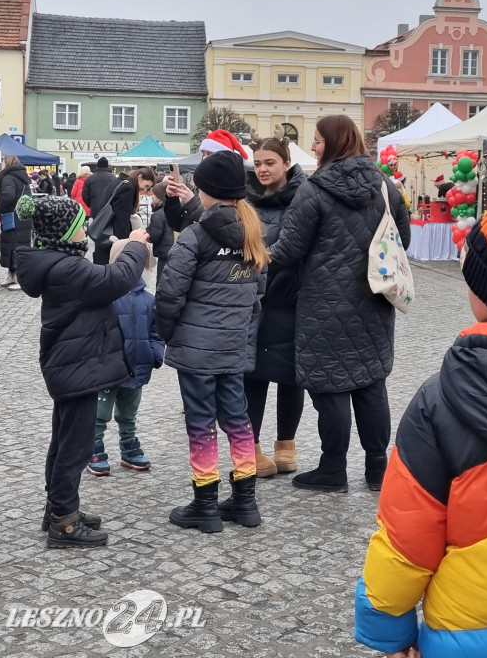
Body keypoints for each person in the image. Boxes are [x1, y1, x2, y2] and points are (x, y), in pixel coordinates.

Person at [355, 180, 487, 658]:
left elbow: (407, 534)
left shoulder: (440, 401)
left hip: (468, 636)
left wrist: (387, 626)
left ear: (485, 293)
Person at [269, 115, 411, 492]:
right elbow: (402, 240)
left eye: (317, 141)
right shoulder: (386, 186)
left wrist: (253, 254)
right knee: (370, 384)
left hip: (324, 305)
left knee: (330, 385)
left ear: (333, 143)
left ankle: (333, 469)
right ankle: (378, 469)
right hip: (374, 301)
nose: (313, 147)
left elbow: (289, 249)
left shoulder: (314, 190)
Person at [14, 193, 150, 548]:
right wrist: (136, 245)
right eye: (80, 224)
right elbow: (118, 278)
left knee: (63, 442)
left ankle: (58, 508)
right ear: (64, 231)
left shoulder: (56, 262)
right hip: (77, 368)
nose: (85, 229)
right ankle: (65, 523)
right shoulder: (68, 268)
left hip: (72, 366)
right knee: (75, 447)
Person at [155, 150, 269, 533]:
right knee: (238, 420)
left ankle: (205, 504)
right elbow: (258, 295)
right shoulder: (254, 234)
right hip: (233, 347)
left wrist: (168, 333)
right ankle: (245, 502)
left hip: (196, 350)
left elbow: (170, 292)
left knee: (201, 423)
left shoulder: (195, 235)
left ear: (205, 191)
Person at [244, 133, 306, 477]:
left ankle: (286, 448)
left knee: (290, 378)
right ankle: (251, 450)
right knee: (253, 376)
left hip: (291, 299)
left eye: (270, 162)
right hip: (255, 301)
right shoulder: (246, 200)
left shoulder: (304, 198)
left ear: (286, 163)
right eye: (257, 164)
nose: (263, 169)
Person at [87, 239, 164, 476]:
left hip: (137, 367)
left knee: (129, 414)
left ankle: (129, 446)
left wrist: (154, 354)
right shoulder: (104, 298)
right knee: (99, 415)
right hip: (108, 370)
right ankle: (93, 447)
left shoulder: (149, 300)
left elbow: (156, 331)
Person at [165, 130, 249, 233]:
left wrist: (192, 203)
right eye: (203, 154)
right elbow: (176, 225)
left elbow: (222, 227)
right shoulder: (198, 186)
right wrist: (172, 199)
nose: (204, 158)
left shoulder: (236, 192)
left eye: (209, 154)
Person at [93, 167, 155, 265]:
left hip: (104, 233)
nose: (145, 189)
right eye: (146, 185)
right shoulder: (128, 188)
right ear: (140, 177)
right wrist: (123, 244)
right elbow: (121, 220)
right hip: (112, 238)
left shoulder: (119, 182)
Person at [0, 155, 32, 290]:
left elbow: (8, 197)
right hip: (22, 217)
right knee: (15, 246)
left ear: (7, 163)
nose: (1, 164)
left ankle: (18, 279)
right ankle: (12, 276)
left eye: (2, 162)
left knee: (14, 247)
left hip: (13, 216)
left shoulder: (8, 177)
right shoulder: (21, 176)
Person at [147, 180, 174, 282]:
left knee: (161, 279)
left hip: (164, 252)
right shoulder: (171, 210)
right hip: (172, 250)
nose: (151, 197)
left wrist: (147, 231)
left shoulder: (158, 214)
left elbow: (154, 235)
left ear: (160, 197)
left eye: (153, 195)